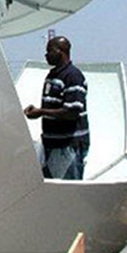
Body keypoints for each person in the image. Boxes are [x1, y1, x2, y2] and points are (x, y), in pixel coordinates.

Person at [24, 36, 89, 180]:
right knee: (53, 190)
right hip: (53, 145)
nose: (46, 55)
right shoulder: (52, 75)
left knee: (69, 192)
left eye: (49, 51)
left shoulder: (72, 76)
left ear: (61, 52)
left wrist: (40, 112)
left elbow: (72, 112)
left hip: (67, 146)